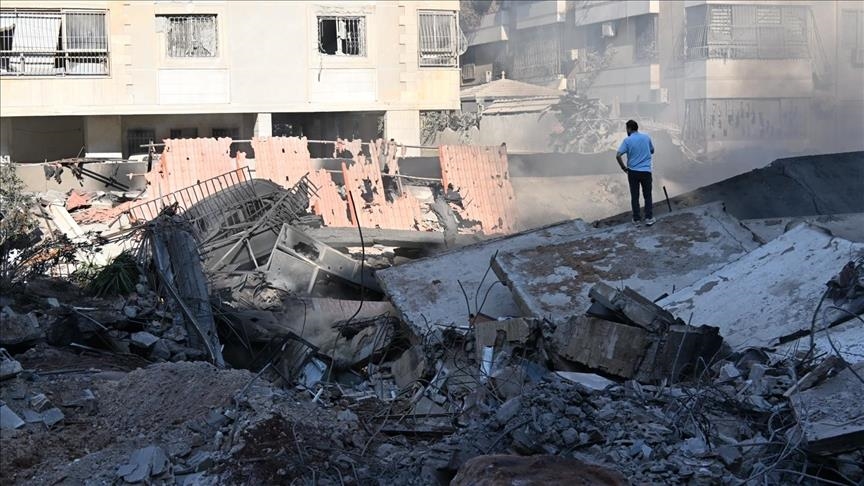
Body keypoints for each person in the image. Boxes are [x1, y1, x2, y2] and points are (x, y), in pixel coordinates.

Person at [616, 120, 655, 226]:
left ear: (629, 129)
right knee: (647, 195)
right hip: (646, 171)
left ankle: (637, 220)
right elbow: (652, 150)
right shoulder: (646, 137)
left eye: (626, 129)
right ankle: (649, 218)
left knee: (635, 196)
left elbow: (618, 155)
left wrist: (624, 168)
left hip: (633, 172)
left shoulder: (627, 141)